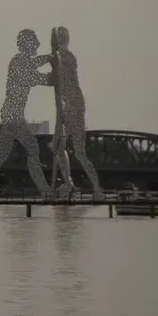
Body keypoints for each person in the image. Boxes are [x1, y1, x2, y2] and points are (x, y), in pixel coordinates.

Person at [0, 29, 53, 192]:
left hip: (11, 114)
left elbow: (38, 71)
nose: (37, 44)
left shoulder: (23, 62)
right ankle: (45, 190)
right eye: (34, 42)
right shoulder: (19, 62)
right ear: (27, 44)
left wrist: (51, 63)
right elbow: (38, 77)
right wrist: (51, 64)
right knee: (32, 148)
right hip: (13, 114)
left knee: (2, 153)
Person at [50, 26, 102, 194]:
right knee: (70, 150)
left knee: (74, 151)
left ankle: (80, 185)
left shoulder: (63, 57)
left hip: (73, 104)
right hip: (74, 104)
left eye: (58, 38)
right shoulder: (67, 57)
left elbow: (56, 67)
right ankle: (72, 184)